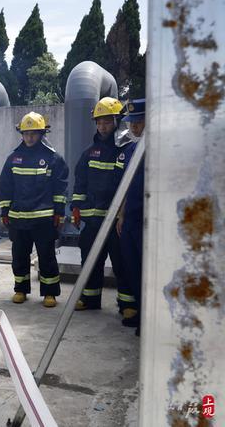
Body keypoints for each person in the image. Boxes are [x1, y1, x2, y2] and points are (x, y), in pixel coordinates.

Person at [71, 97, 134, 317]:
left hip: (117, 220)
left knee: (121, 262)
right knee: (90, 260)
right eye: (99, 122)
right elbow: (80, 182)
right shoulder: (89, 152)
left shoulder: (126, 150)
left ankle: (127, 304)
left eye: (107, 122)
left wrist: (123, 215)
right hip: (93, 220)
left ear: (116, 121)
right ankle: (90, 298)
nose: (102, 126)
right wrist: (76, 207)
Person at [0, 112, 69, 308]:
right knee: (19, 256)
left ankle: (50, 293)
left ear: (42, 133)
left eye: (33, 133)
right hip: (18, 219)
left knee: (46, 257)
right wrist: (5, 212)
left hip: (44, 219)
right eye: (26, 133)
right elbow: (5, 187)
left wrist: (59, 213)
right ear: (21, 133)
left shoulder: (53, 159)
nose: (29, 137)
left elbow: (60, 188)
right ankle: (20, 290)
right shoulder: (13, 158)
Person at [116, 99, 146, 334]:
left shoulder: (160, 148)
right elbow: (126, 186)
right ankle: (139, 311)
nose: (134, 127)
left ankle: (149, 319)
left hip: (148, 221)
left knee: (148, 270)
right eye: (132, 123)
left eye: (138, 121)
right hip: (131, 220)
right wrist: (121, 215)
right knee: (132, 267)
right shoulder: (134, 149)